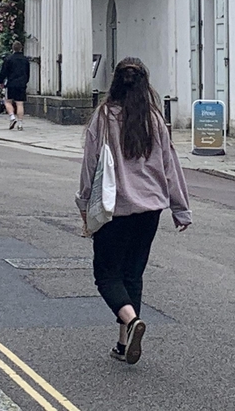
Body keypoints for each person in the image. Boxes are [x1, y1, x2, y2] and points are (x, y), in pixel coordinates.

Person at [76, 58, 191, 366]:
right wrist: (181, 209)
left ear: (115, 82)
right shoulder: (154, 118)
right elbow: (170, 165)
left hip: (116, 208)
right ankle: (123, 343)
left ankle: (131, 319)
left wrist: (84, 204)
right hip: (150, 208)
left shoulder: (104, 116)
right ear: (144, 83)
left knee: (106, 275)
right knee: (133, 274)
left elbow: (90, 163)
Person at [0, 40, 30, 130]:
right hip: (21, 84)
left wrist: (1, 82)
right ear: (21, 49)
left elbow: (3, 72)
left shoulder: (8, 59)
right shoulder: (25, 60)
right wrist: (25, 82)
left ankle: (12, 117)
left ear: (12, 49)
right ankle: (20, 123)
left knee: (7, 101)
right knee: (20, 103)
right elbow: (27, 73)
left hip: (11, 83)